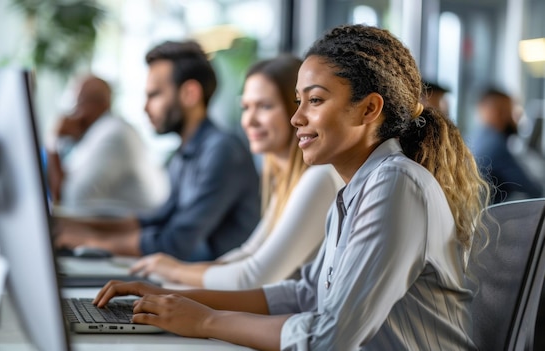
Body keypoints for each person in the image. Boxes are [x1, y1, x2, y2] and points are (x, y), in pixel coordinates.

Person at [92, 24, 491, 350]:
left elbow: (328, 337)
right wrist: (174, 297)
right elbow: (304, 295)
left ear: (369, 109)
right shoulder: (357, 188)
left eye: (314, 101)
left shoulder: (396, 185)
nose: (296, 118)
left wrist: (206, 321)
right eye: (298, 101)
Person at [130, 55, 345, 290]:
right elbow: (248, 254)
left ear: (296, 111)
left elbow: (253, 277)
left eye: (265, 106)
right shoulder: (285, 180)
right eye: (245, 107)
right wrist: (172, 273)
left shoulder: (318, 178)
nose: (249, 120)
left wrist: (175, 271)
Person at [55, 41, 261, 262]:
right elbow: (157, 220)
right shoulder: (185, 153)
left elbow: (176, 243)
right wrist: (71, 225)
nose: (145, 107)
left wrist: (89, 241)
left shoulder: (222, 151)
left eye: (154, 95)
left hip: (218, 288)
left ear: (190, 94)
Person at [46, 75, 170, 212]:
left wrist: (53, 141)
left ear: (96, 105)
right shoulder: (96, 134)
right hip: (121, 227)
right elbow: (63, 189)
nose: (72, 113)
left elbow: (74, 199)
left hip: (142, 229)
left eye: (77, 104)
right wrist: (56, 144)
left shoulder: (114, 134)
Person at [469, 87, 543, 203]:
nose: (514, 119)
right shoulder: (495, 146)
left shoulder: (475, 137)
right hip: (492, 216)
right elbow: (534, 191)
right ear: (496, 113)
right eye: (510, 112)